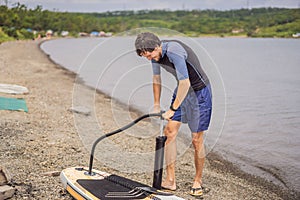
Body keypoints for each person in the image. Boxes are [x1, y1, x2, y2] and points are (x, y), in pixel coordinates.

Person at [135, 32, 212, 197]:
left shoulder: (173, 51)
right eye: (145, 56)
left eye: (150, 54)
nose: (149, 58)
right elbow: (156, 78)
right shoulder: (154, 56)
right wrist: (156, 104)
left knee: (196, 139)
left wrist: (173, 109)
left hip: (199, 92)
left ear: (157, 46)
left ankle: (197, 180)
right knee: (169, 132)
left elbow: (186, 82)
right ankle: (170, 180)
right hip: (182, 92)